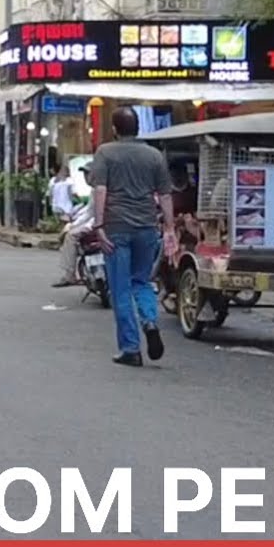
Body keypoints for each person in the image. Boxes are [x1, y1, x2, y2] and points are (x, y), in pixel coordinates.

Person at [88, 106, 177, 366]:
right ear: (138, 127)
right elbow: (165, 195)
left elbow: (100, 190)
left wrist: (99, 224)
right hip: (147, 228)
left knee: (120, 289)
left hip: (117, 228)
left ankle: (130, 348)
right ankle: (149, 321)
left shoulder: (105, 152)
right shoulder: (154, 155)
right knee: (141, 281)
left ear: (115, 129)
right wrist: (170, 228)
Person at [53, 166, 96, 287]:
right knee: (69, 232)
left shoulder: (100, 189)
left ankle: (69, 275)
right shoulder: (94, 190)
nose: (86, 177)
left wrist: (85, 227)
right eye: (85, 174)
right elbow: (89, 211)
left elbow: (98, 214)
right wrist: (74, 224)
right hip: (93, 223)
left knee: (70, 237)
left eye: (88, 174)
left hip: (100, 225)